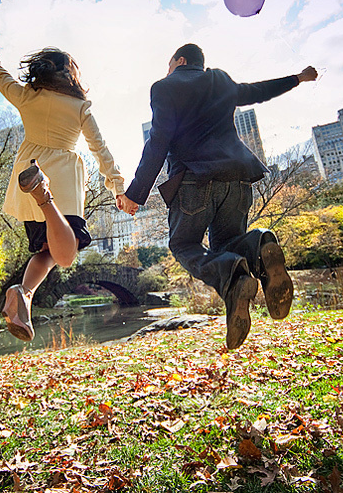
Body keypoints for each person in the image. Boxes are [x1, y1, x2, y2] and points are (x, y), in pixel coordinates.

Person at [119, 43, 317, 349]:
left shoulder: (164, 87)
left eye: (168, 64)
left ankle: (235, 270)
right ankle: (259, 244)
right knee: (228, 248)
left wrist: (136, 193)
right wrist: (297, 78)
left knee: (183, 244)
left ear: (180, 61)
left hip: (194, 181)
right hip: (238, 178)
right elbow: (256, 92)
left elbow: (158, 140)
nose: (167, 70)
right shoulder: (220, 80)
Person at [0, 8, 130, 342]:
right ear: (70, 75)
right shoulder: (80, 107)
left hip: (29, 167)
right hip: (63, 179)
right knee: (66, 255)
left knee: (48, 253)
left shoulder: (28, 96)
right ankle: (44, 193)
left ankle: (22, 294)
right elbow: (100, 148)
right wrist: (116, 186)